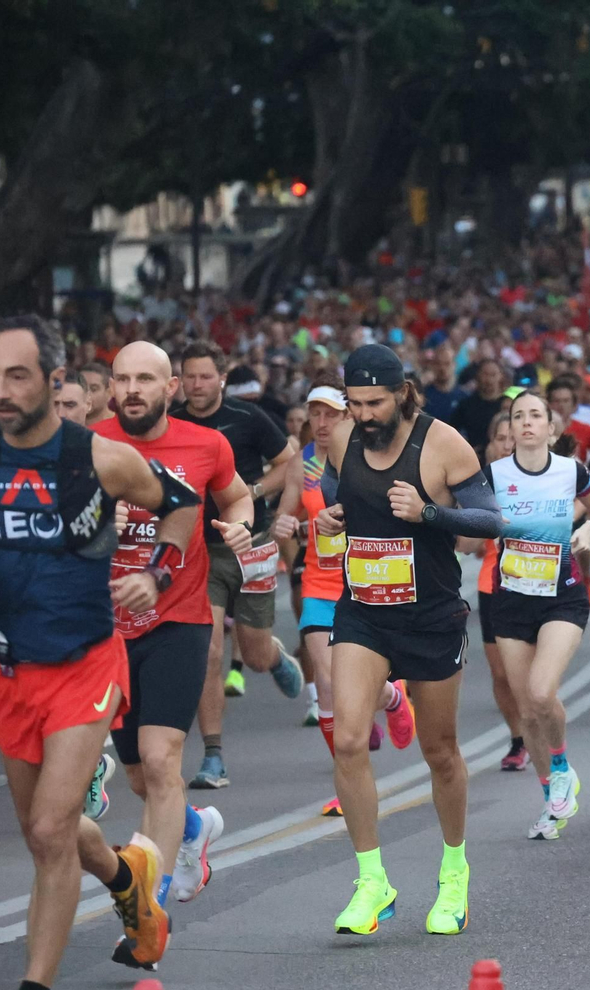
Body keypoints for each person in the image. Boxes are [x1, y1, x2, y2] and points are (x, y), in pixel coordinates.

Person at [0, 316, 202, 990]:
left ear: (52, 382)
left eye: (17, 376)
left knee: (50, 831)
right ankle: (129, 881)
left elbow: (182, 502)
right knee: (46, 832)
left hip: (86, 664)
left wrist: (157, 572)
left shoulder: (100, 457)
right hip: (8, 670)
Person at [313, 343, 504, 935]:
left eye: (374, 403)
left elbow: (490, 519)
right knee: (348, 739)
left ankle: (453, 874)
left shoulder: (443, 443)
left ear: (402, 393)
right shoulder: (344, 437)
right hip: (364, 610)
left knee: (440, 751)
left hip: (430, 615)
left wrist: (429, 514)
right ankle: (373, 881)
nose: (363, 415)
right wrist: (329, 517)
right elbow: (331, 490)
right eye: (355, 403)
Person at [92, 340, 255, 955]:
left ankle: (148, 911)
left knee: (162, 762)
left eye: (145, 379)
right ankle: (192, 828)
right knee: (135, 773)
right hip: (106, 628)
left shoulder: (206, 444)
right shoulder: (90, 443)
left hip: (178, 619)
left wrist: (239, 521)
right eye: (121, 379)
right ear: (111, 389)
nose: (132, 389)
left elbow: (236, 494)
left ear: (171, 388)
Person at [277, 381, 414, 818]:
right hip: (319, 584)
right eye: (315, 414)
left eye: (331, 414)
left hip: (365, 583)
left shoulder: (371, 457)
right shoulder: (301, 466)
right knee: (330, 687)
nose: (321, 423)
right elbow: (288, 514)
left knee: (356, 688)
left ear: (349, 416)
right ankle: (348, 779)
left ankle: (391, 698)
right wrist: (283, 529)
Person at [172, 342, 303, 789]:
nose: (197, 384)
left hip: (252, 543)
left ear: (222, 378)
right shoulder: (172, 422)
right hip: (198, 551)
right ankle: (213, 757)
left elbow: (289, 463)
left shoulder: (247, 418)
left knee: (253, 653)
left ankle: (275, 658)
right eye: (189, 376)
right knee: (208, 652)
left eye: (206, 376)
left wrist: (252, 490)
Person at [485, 389, 590, 840]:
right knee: (527, 710)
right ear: (511, 430)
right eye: (519, 416)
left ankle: (561, 767)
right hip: (511, 599)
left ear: (551, 429)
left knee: (541, 692)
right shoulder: (493, 475)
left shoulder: (570, 470)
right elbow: (469, 523)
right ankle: (550, 803)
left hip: (562, 595)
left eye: (536, 415)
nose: (527, 422)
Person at [467, 411, 529, 768]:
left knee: (530, 675)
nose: (508, 444)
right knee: (502, 674)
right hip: (493, 583)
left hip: (535, 584)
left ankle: (542, 730)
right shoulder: (479, 483)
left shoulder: (542, 478)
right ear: (491, 444)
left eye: (513, 437)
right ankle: (518, 739)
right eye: (501, 438)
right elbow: (469, 543)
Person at [79, 361, 113, 425]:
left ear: (109, 393)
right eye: (82, 387)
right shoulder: (66, 423)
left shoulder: (119, 427)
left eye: (93, 389)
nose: (86, 394)